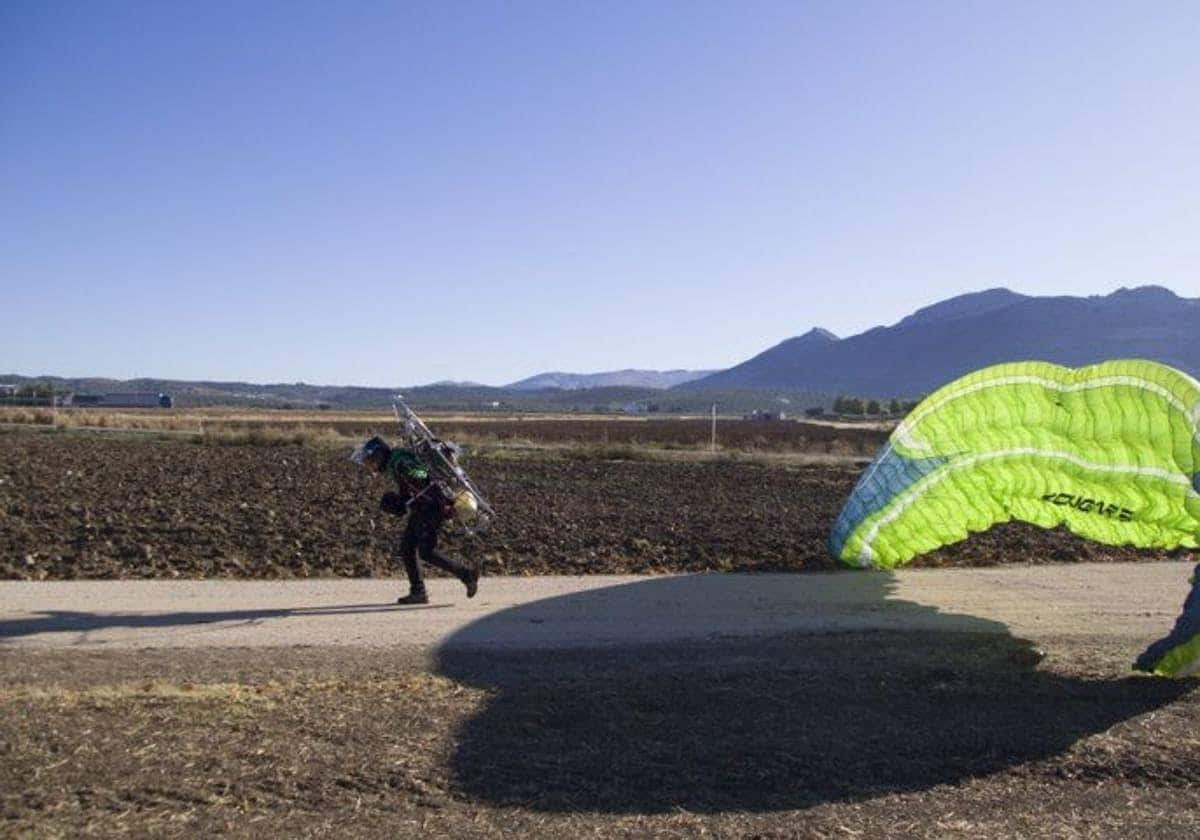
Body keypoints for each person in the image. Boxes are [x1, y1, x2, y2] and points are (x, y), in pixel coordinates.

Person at [352, 436, 481, 604]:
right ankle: (418, 592)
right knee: (407, 547)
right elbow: (412, 486)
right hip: (422, 508)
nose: (371, 466)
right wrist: (405, 500)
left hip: (431, 508)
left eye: (371, 461)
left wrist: (403, 498)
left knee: (426, 551)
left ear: (379, 455)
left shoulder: (400, 463)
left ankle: (467, 575)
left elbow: (420, 478)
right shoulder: (397, 461)